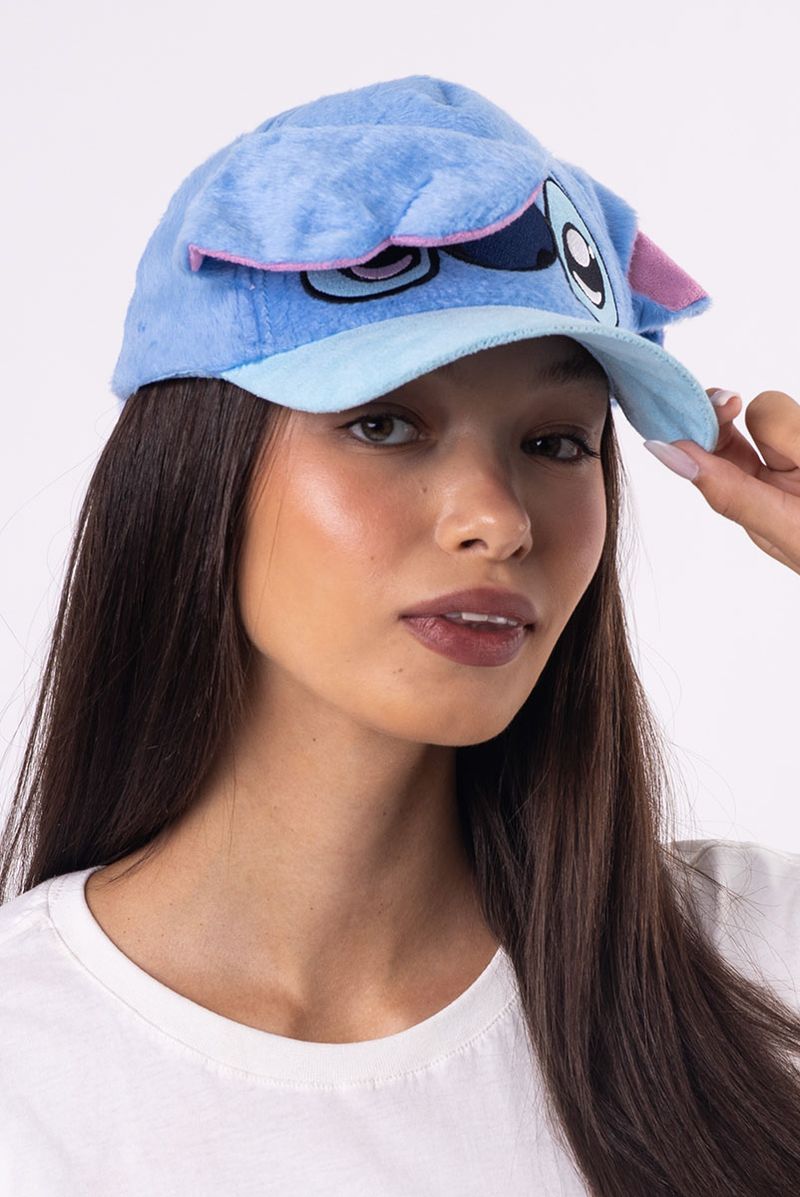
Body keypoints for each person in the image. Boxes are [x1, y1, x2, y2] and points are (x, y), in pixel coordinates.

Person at [0, 74, 798, 1196]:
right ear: (196, 475)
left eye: (556, 443)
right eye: (384, 422)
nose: (498, 521)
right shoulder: (28, 1070)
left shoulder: (755, 959)